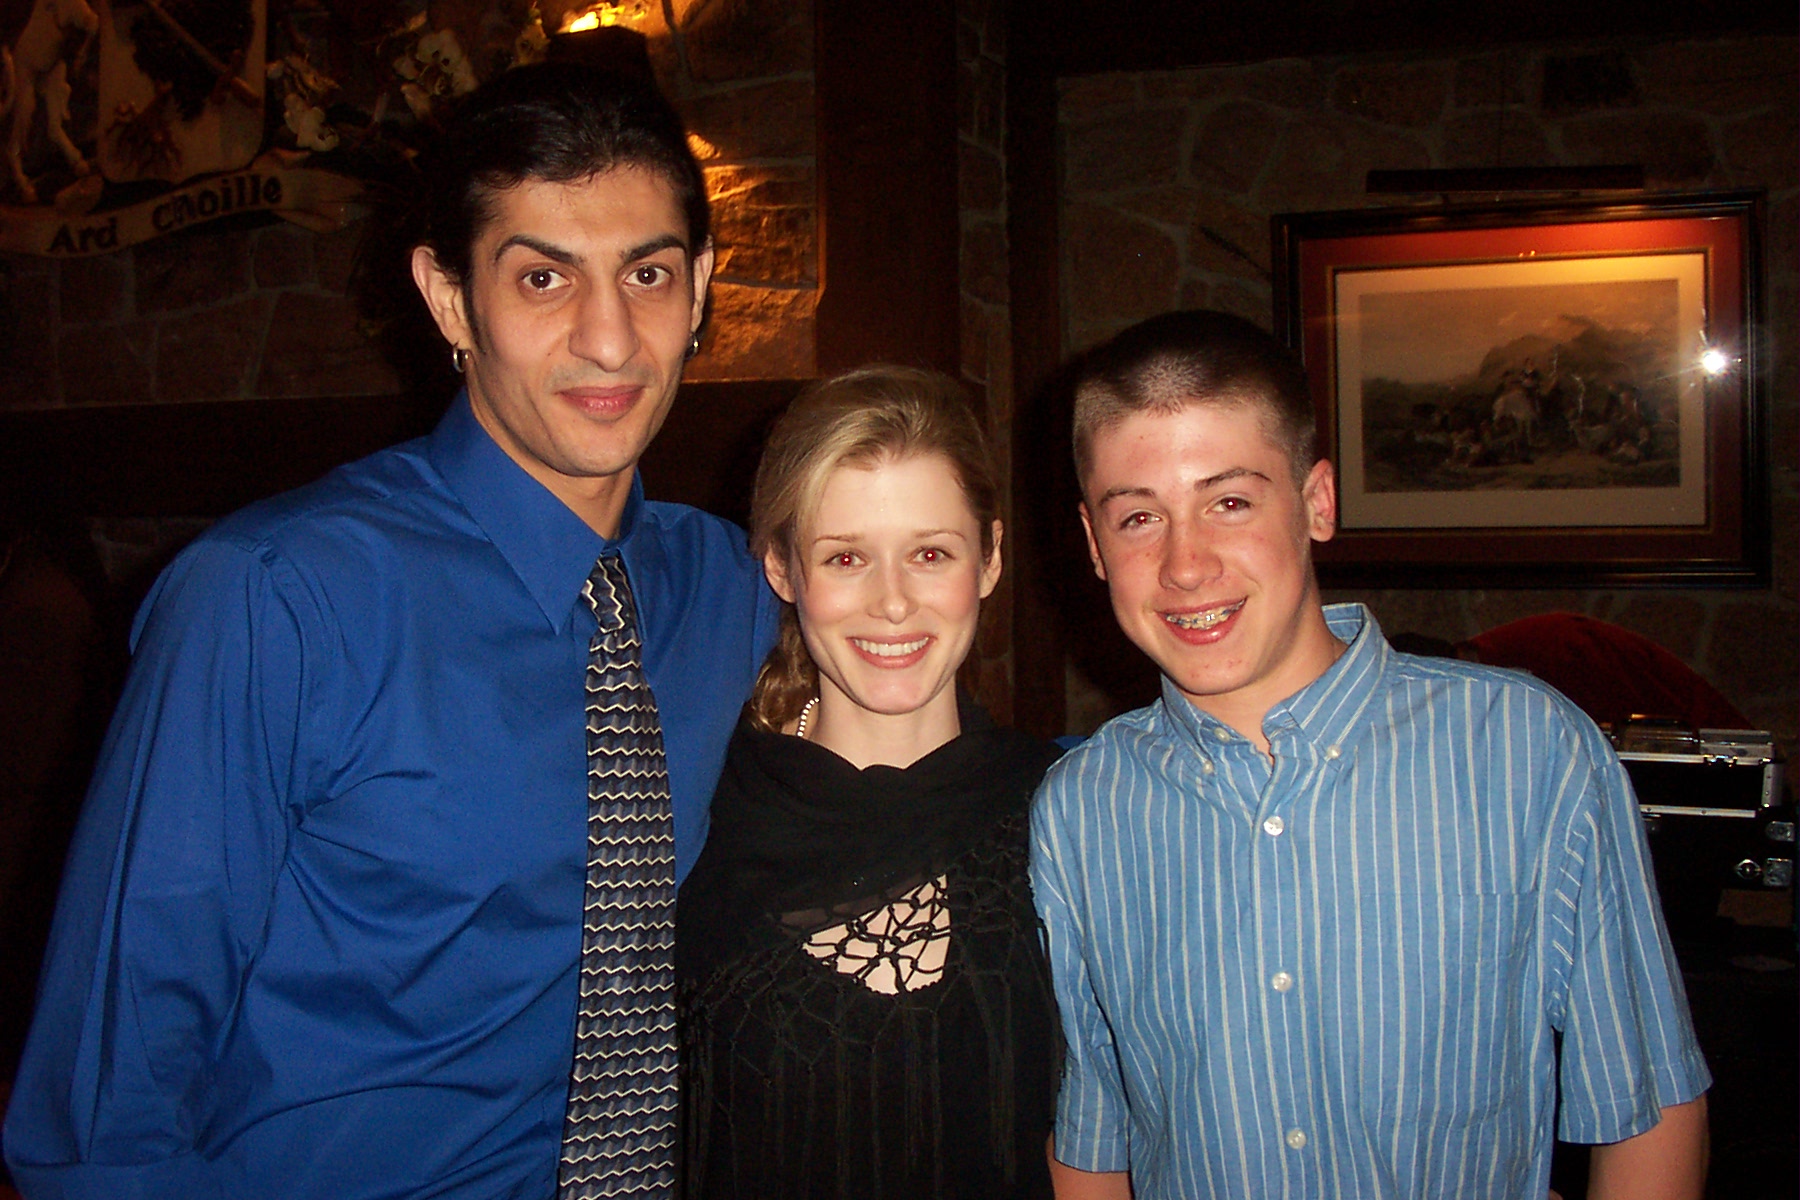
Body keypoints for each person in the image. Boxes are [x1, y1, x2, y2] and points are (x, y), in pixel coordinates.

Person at [5, 64, 780, 1199]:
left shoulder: (737, 588)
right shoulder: (274, 598)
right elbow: (107, 1098)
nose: (611, 341)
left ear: (701, 286)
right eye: (543, 278)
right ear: (450, 298)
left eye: (648, 274)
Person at [1029, 310, 1711, 1200]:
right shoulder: (1080, 808)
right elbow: (1094, 1129)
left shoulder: (1528, 752)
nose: (1184, 565)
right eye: (1137, 518)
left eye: (1229, 502)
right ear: (1093, 545)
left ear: (1317, 502)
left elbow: (1646, 1104)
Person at [676, 366, 1064, 1199]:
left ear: (990, 558)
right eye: (846, 557)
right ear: (782, 568)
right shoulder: (698, 811)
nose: (892, 603)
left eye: (930, 553)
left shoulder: (1068, 811)